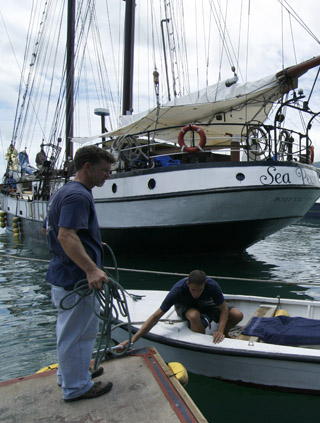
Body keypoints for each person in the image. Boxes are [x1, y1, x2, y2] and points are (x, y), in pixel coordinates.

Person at [45, 144, 115, 402]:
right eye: (105, 170)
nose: (108, 175)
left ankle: (71, 376)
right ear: (88, 167)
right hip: (76, 279)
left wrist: (92, 243)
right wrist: (92, 268)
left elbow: (49, 231)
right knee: (76, 334)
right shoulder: (79, 196)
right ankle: (76, 388)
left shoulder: (63, 191)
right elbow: (66, 235)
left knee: (78, 332)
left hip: (64, 275)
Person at [118, 270, 243, 348]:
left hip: (205, 304)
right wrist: (132, 340)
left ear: (205, 285)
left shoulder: (212, 286)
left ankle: (224, 334)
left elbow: (224, 309)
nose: (196, 293)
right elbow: (156, 317)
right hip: (185, 306)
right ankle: (201, 339)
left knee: (238, 314)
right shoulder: (177, 290)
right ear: (188, 284)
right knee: (194, 315)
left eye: (200, 290)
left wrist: (220, 330)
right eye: (193, 290)